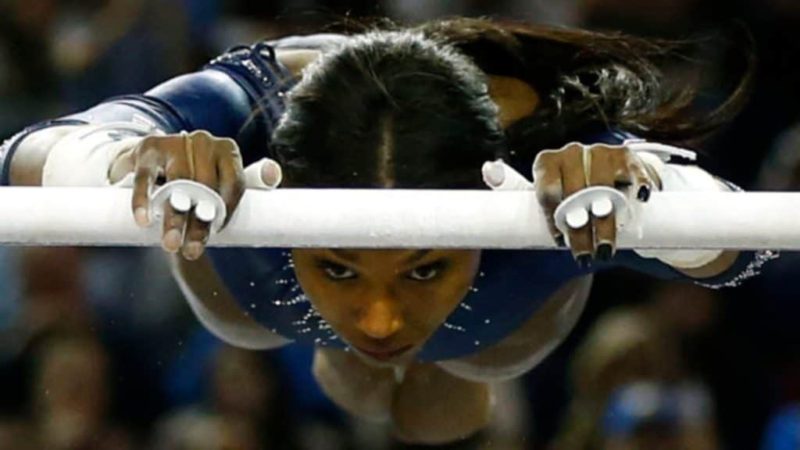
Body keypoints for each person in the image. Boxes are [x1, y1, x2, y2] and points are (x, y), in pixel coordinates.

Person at [0, 17, 773, 444]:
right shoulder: (246, 107)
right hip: (270, 302)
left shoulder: (555, 155)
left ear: (486, 195)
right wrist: (128, 165)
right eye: (339, 267)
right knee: (372, 375)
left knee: (440, 408)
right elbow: (25, 155)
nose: (380, 317)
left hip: (488, 323)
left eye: (423, 266)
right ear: (288, 179)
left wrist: (650, 190)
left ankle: (398, 311)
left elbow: (742, 247)